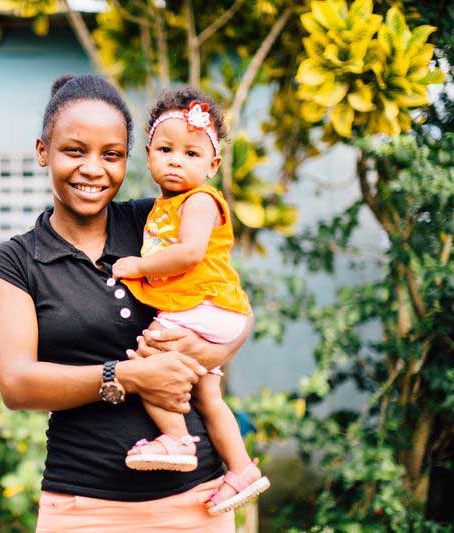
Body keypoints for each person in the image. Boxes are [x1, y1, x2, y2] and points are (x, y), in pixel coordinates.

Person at [0, 74, 252, 532]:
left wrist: (203, 354)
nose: (93, 169)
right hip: (83, 505)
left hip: (197, 502)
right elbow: (17, 384)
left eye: (112, 155)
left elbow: (231, 304)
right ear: (43, 151)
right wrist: (130, 376)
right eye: (74, 151)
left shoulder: (157, 223)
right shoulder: (16, 262)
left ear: (129, 160)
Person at [112, 87, 269, 515]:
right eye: (166, 150)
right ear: (149, 155)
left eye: (192, 154)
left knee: (149, 355)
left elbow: (190, 253)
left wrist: (136, 267)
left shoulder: (199, 201)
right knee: (208, 395)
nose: (177, 160)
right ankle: (240, 470)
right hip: (211, 309)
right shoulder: (163, 205)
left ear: (213, 165)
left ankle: (177, 439)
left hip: (207, 305)